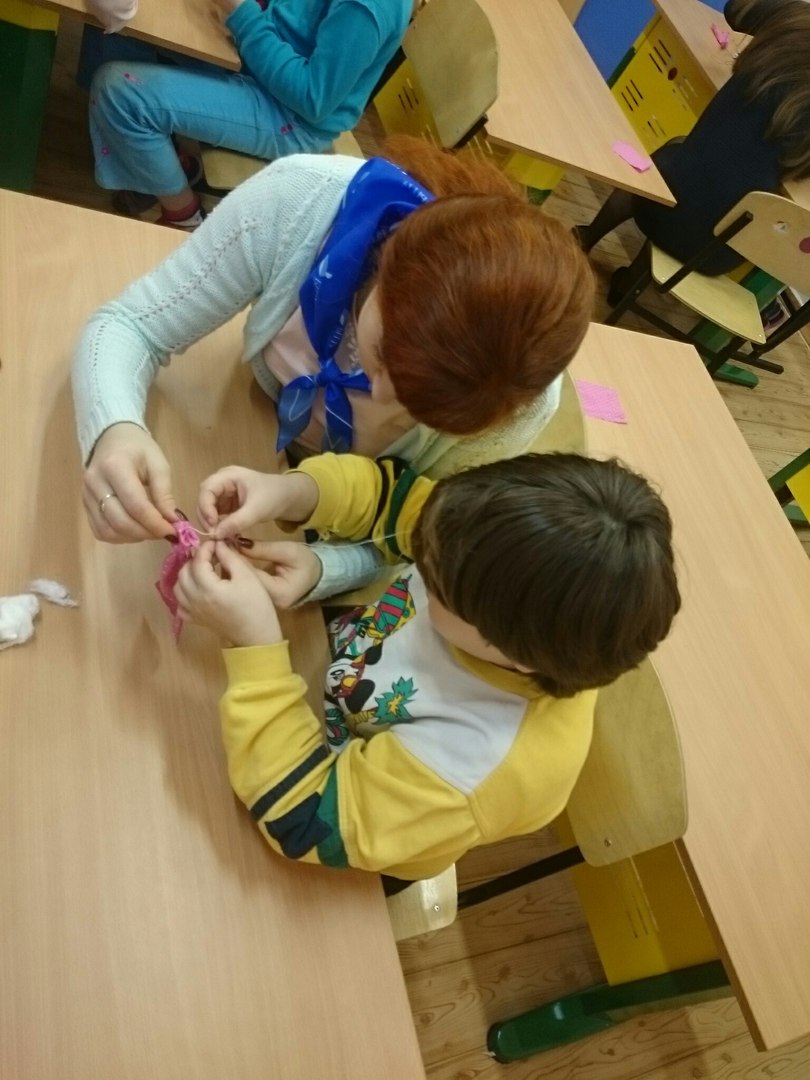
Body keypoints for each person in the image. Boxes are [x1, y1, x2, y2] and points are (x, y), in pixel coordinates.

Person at [171, 450, 681, 882]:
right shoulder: (482, 545)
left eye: (433, 583)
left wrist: (254, 643)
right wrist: (291, 492)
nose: (421, 559)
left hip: (347, 821)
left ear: (512, 654)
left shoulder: (482, 764)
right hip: (325, 688)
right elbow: (389, 499)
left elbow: (303, 819)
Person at [73, 136, 594, 546]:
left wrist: (321, 569)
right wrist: (115, 429)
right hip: (245, 422)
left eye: (422, 409)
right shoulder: (298, 201)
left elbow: (418, 526)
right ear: (387, 263)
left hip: (339, 520)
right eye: (384, 357)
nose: (381, 397)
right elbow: (130, 324)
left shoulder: (518, 403)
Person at [88, 0, 412, 228]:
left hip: (291, 115)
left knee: (120, 91)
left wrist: (242, 14)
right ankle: (161, 163)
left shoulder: (369, 7)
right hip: (262, 55)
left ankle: (184, 215)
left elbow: (313, 99)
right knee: (123, 22)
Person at [579, 0, 810, 290]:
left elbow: (735, 11)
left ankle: (587, 237)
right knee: (712, 186)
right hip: (717, 251)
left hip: (662, 203)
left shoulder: (796, 23)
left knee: (682, 159)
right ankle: (629, 285)